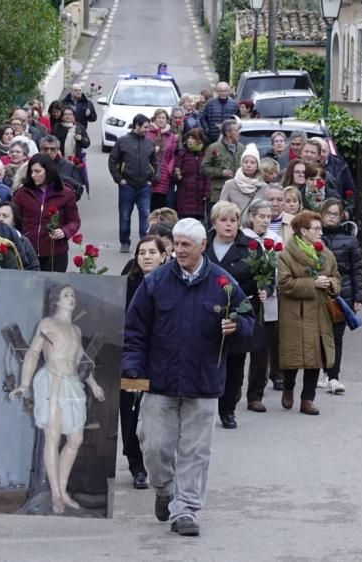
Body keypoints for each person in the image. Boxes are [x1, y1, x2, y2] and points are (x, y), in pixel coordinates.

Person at [124, 218, 255, 537]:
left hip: (203, 382)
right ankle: (165, 491)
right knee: (154, 448)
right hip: (160, 381)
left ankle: (185, 510)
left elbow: (249, 320)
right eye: (176, 244)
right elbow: (135, 328)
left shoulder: (223, 283)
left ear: (202, 247)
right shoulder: (156, 282)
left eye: (185, 245)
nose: (178, 250)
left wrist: (237, 328)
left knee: (196, 452)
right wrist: (131, 366)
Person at [9, 285, 106, 514]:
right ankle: (55, 495)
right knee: (52, 435)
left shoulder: (76, 330)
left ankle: (63, 490)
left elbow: (82, 360)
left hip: (73, 384)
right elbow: (33, 352)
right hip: (52, 380)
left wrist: (93, 384)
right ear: (56, 301)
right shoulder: (47, 324)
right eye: (66, 295)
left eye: (73, 294)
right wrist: (24, 384)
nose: (71, 298)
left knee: (76, 439)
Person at [204, 202, 262, 430]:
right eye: (224, 220)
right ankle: (205, 407)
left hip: (237, 313)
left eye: (233, 220)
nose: (229, 225)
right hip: (206, 312)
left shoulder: (250, 247)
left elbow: (263, 277)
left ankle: (228, 409)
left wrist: (264, 289)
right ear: (214, 222)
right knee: (207, 362)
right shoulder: (202, 244)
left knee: (235, 365)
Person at [277, 211, 341, 416]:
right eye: (317, 228)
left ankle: (307, 399)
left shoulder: (326, 254)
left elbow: (336, 277)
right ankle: (288, 386)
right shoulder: (287, 255)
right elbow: (284, 283)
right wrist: (312, 284)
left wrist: (330, 283)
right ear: (303, 231)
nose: (321, 232)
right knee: (294, 355)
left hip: (319, 311)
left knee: (316, 356)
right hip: (296, 313)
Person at [121, 235, 168, 490]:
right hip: (131, 354)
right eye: (142, 252)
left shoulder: (172, 281)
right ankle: (136, 465)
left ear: (164, 255)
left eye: (152, 252)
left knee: (157, 415)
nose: (146, 256)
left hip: (161, 357)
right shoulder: (128, 280)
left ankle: (159, 464)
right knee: (130, 413)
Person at [241, 200, 284, 411]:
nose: (266, 221)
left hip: (268, 302)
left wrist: (268, 288)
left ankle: (255, 394)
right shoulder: (242, 239)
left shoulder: (275, 240)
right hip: (245, 300)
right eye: (261, 217)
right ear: (251, 217)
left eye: (269, 217)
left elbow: (279, 271)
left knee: (261, 350)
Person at [319, 198, 362, 395]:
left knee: (337, 336)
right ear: (321, 215)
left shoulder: (350, 240)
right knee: (319, 336)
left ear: (341, 217)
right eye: (328, 213)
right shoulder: (313, 238)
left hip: (341, 296)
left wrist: (358, 297)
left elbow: (356, 270)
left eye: (335, 214)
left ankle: (333, 376)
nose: (331, 217)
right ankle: (321, 371)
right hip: (317, 295)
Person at [12, 153, 81, 272]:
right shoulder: (22, 193)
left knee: (52, 289)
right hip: (28, 251)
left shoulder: (66, 193)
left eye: (37, 171)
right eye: (31, 172)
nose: (33, 175)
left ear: (48, 171)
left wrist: (64, 232)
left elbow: (74, 221)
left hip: (55, 253)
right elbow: (14, 218)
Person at [108, 114, 158, 254]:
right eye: (145, 127)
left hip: (144, 186)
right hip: (127, 185)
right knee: (125, 215)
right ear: (136, 126)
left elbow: (155, 162)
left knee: (145, 214)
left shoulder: (149, 143)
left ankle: (145, 243)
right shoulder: (122, 141)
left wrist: (152, 179)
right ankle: (124, 242)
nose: (147, 130)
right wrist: (119, 179)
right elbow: (113, 160)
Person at [202, 119, 245, 225]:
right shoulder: (214, 147)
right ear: (227, 133)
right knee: (218, 221)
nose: (238, 132)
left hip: (238, 192)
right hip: (219, 193)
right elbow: (204, 168)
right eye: (236, 130)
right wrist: (220, 172)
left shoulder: (241, 148)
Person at [171, 127, 210, 221]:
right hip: (185, 196)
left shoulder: (205, 154)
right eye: (189, 138)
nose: (190, 140)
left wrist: (207, 193)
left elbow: (207, 176)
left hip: (200, 198)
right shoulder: (182, 154)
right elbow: (174, 172)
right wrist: (177, 175)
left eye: (193, 138)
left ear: (200, 140)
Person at [218, 143, 267, 214]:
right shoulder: (229, 185)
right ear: (241, 164)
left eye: (252, 162)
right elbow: (221, 208)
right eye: (245, 162)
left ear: (257, 166)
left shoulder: (264, 187)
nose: (248, 165)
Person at [146, 109, 178, 211]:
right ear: (154, 119)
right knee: (150, 207)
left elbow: (173, 155)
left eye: (163, 118)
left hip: (164, 174)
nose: (161, 120)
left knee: (161, 206)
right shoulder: (148, 133)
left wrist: (169, 170)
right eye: (158, 118)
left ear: (167, 120)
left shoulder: (171, 136)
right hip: (149, 174)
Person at [0, 200, 40, 271]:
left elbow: (34, 269)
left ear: (14, 221)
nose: (0, 219)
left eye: (5, 216)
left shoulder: (24, 241)